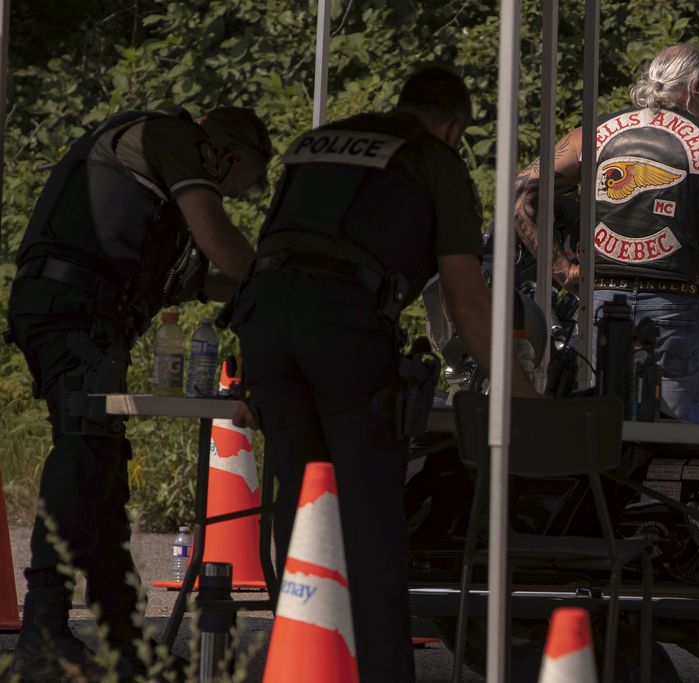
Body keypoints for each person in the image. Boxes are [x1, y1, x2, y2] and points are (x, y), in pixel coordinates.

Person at [231, 66, 536, 683]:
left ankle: (307, 665)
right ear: (453, 125)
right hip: (340, 325)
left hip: (263, 318)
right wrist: (525, 399)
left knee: (303, 501)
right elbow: (467, 302)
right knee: (368, 516)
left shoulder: (317, 141)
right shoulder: (433, 159)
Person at [4, 105, 270, 680]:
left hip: (82, 314)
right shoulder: (168, 136)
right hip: (73, 308)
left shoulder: (157, 179)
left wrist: (258, 285)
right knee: (83, 453)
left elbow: (203, 276)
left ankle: (121, 639)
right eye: (231, 184)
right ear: (227, 153)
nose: (224, 194)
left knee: (101, 466)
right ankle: (44, 633)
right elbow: (220, 242)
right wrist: (278, 282)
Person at [513, 43, 699, 419]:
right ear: (698, 87)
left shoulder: (592, 135)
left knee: (591, 429)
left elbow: (522, 191)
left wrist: (560, 268)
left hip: (599, 302)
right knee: (670, 438)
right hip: (676, 307)